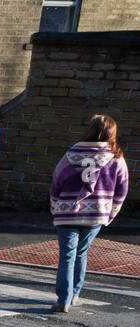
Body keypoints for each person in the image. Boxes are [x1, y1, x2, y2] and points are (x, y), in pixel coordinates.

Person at [49, 114, 129, 313]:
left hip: (67, 212)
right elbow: (122, 189)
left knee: (67, 255)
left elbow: (56, 180)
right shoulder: (116, 158)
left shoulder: (72, 153)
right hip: (96, 214)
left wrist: (55, 205)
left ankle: (63, 299)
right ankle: (75, 294)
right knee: (81, 253)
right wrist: (111, 213)